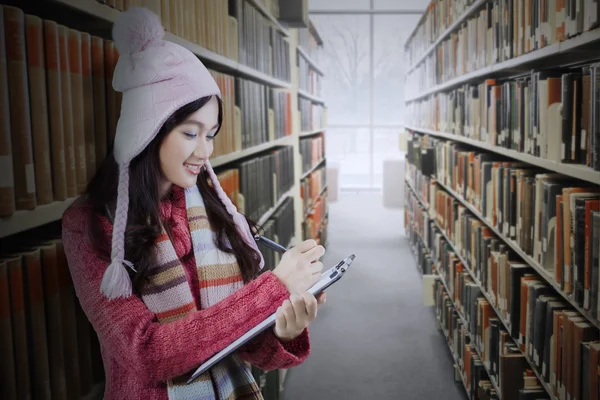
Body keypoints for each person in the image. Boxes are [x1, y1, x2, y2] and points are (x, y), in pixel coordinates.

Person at [61, 7, 326, 400]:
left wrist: (282, 326)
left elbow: (239, 338)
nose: (205, 152)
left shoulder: (214, 211)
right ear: (146, 130)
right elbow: (147, 354)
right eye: (191, 133)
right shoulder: (89, 225)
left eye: (212, 135)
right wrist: (274, 287)